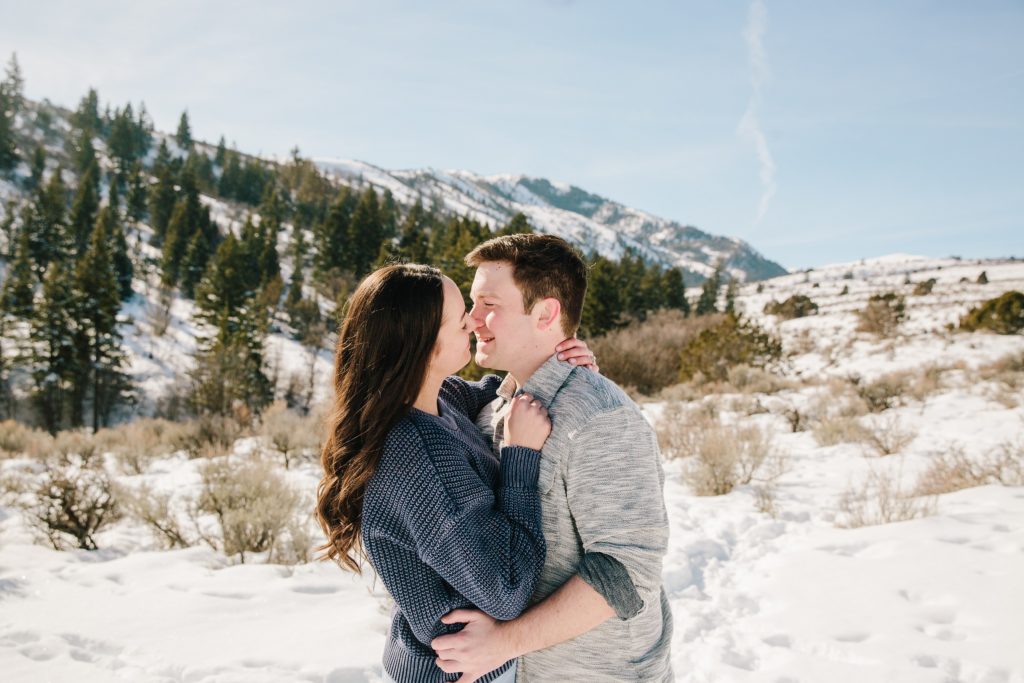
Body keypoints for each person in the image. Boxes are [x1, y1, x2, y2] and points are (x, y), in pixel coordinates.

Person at [314, 263, 596, 683]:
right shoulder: (417, 460)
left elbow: (485, 395)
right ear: (422, 343)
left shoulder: (432, 400)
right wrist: (520, 455)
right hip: (464, 671)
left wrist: (556, 367)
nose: (472, 321)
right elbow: (505, 587)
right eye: (458, 316)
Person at [431, 234, 674, 682]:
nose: (473, 319)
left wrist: (504, 642)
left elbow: (625, 571)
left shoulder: (602, 419)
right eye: (471, 303)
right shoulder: (495, 405)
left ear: (545, 314)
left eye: (489, 304)